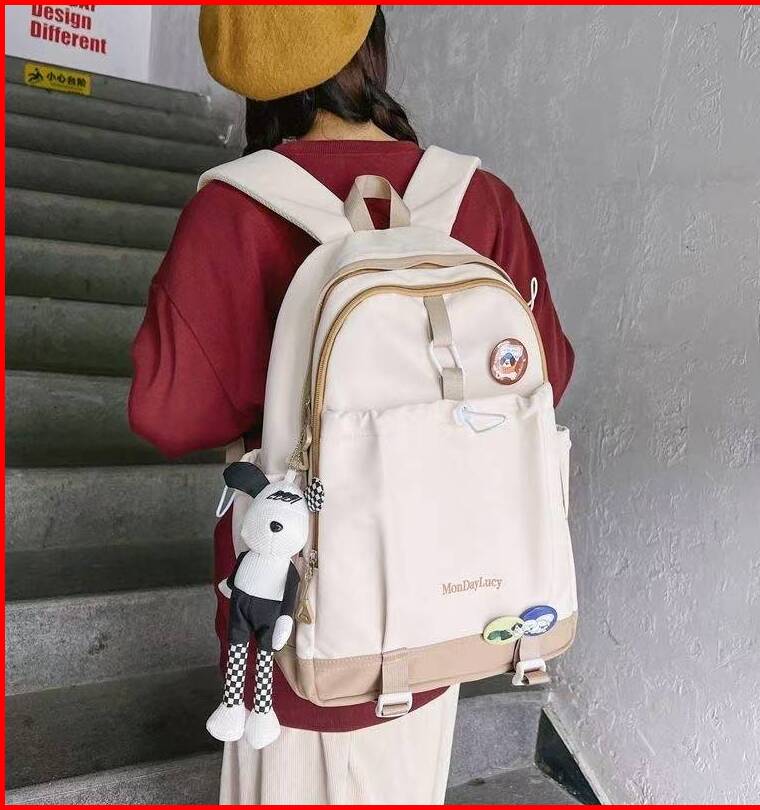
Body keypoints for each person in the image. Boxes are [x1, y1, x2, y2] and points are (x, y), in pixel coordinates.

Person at [129, 5, 574, 805]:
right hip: (444, 610)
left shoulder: (232, 212)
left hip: (298, 632)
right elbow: (547, 379)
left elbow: (166, 411)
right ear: (371, 40)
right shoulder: (480, 200)